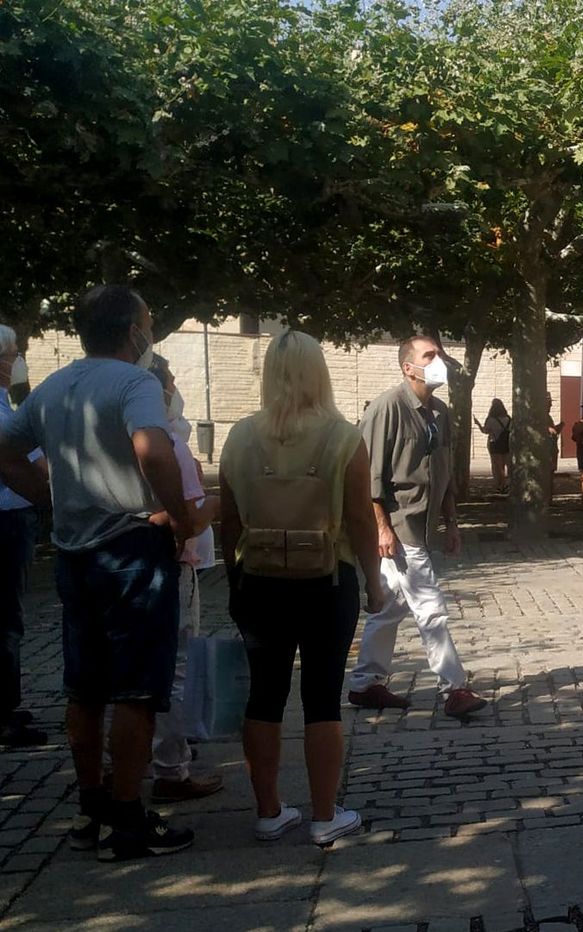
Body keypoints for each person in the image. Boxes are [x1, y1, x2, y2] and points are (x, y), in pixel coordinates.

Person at [0, 285, 197, 860]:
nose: (150, 332)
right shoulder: (136, 382)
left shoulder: (53, 386)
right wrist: (181, 517)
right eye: (149, 323)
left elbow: (5, 450)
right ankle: (128, 819)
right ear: (133, 331)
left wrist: (50, 498)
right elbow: (152, 448)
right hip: (132, 547)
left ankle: (92, 807)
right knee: (137, 690)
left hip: (75, 553)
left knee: (84, 689)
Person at [220, 331, 386, 847]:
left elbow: (229, 521)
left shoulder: (239, 437)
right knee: (323, 697)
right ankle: (324, 814)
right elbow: (360, 520)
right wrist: (375, 582)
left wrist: (234, 580)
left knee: (263, 695)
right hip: (326, 580)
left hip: (259, 580)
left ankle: (268, 810)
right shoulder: (343, 438)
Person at [348, 335, 488, 720]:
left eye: (438, 354)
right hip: (400, 524)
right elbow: (368, 477)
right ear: (408, 367)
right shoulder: (386, 408)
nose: (438, 361)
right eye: (429, 355)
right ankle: (454, 688)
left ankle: (365, 683)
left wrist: (452, 523)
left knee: (390, 607)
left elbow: (443, 473)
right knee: (430, 608)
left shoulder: (440, 412)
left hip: (424, 527)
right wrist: (381, 527)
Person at [145, 356, 224, 803]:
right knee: (176, 667)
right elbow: (188, 519)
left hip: (123, 566)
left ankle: (115, 774)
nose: (177, 390)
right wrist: (214, 504)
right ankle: (172, 769)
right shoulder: (165, 442)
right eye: (171, 382)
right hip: (172, 565)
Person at [0, 324, 48, 747]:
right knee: (6, 618)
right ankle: (3, 712)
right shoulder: (4, 414)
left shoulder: (6, 404)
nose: (17, 360)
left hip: (12, 516)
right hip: (6, 520)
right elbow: (30, 459)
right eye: (12, 353)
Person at [478, 398, 511, 494]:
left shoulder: (490, 420)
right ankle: (506, 485)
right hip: (506, 444)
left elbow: (485, 431)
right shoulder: (508, 419)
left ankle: (499, 485)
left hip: (495, 444)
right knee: (506, 465)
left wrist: (478, 424)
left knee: (497, 467)